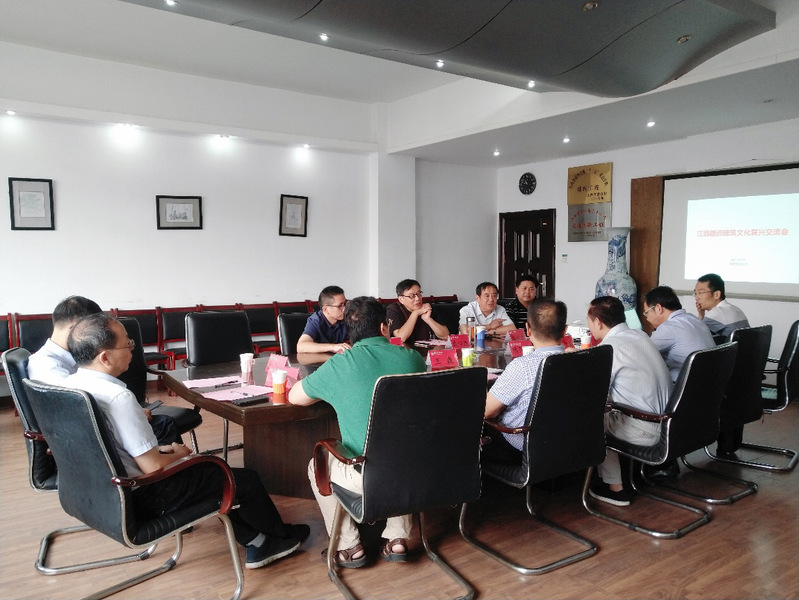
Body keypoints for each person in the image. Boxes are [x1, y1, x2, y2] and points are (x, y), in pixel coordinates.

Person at [62, 313, 308, 569]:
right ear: (105, 357)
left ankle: (258, 540)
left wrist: (159, 452)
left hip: (97, 494)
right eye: (128, 344)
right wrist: (181, 454)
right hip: (142, 496)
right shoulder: (117, 397)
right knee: (240, 478)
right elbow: (153, 467)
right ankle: (280, 538)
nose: (133, 349)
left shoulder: (70, 386)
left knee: (212, 476)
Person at [289, 297, 426, 568]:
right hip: (416, 471)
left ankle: (349, 546)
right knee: (402, 446)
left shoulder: (342, 364)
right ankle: (397, 538)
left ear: (348, 333)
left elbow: (295, 397)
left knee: (317, 465)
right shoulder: (412, 358)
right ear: (384, 327)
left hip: (368, 476)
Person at [27, 295, 179, 447]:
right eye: (93, 329)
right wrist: (128, 413)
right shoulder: (47, 367)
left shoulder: (66, 357)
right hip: (91, 439)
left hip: (104, 423)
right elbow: (77, 414)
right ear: (75, 328)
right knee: (164, 425)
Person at [587, 296, 672, 507]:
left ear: (598, 322)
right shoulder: (640, 335)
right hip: (671, 425)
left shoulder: (609, 348)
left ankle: (615, 488)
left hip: (646, 430)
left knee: (591, 419)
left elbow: (596, 395)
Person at [483, 299, 567, 463]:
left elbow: (487, 411)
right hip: (569, 441)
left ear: (527, 329)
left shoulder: (523, 366)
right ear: (565, 330)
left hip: (524, 445)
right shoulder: (579, 360)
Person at [642, 286, 715, 383]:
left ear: (658, 308)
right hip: (710, 383)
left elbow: (641, 354)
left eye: (646, 313)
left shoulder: (669, 327)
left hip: (686, 386)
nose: (647, 319)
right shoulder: (694, 319)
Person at [386, 279, 449, 344]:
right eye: (412, 296)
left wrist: (428, 319)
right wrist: (415, 313)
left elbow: (445, 335)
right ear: (401, 299)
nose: (417, 298)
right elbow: (400, 338)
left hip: (427, 349)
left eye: (419, 294)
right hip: (405, 350)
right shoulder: (394, 309)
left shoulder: (426, 308)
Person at [694, 273, 749, 342]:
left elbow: (694, 336)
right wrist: (701, 316)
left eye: (700, 293)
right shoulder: (736, 309)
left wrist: (700, 317)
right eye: (695, 293)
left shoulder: (716, 313)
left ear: (716, 294)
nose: (696, 298)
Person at [296, 285, 351, 353]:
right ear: (326, 309)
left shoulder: (347, 317)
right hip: (320, 358)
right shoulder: (315, 320)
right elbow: (301, 347)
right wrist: (333, 347)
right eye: (340, 306)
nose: (344, 309)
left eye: (345, 303)